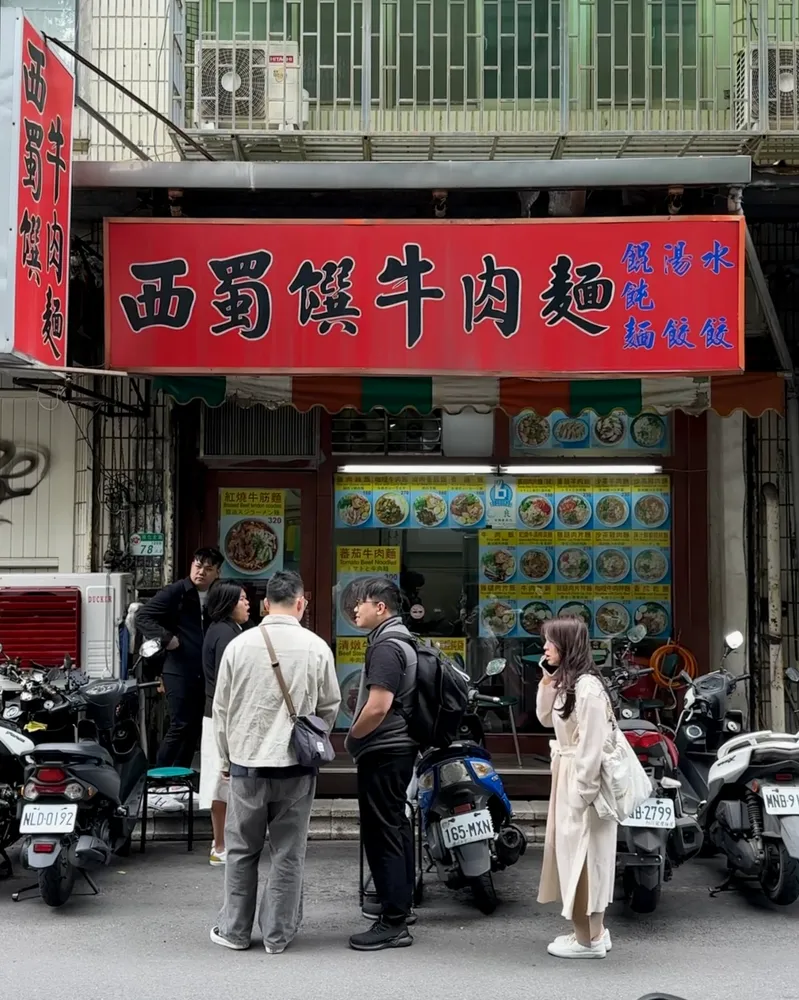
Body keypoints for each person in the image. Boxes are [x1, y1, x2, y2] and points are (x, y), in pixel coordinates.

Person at [210, 570, 340, 955]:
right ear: (301, 603)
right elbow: (330, 707)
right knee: (288, 853)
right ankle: (277, 936)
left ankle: (235, 931)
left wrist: (225, 758)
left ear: (265, 604)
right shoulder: (317, 647)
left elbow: (222, 710)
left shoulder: (239, 645)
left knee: (241, 850)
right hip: (297, 767)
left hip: (246, 765)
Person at [536, 616, 617, 960]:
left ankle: (587, 941)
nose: (544, 648)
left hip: (582, 781)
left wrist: (583, 792)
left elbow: (592, 746)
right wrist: (548, 679)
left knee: (585, 857)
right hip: (570, 776)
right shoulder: (569, 683)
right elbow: (544, 718)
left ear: (567, 645)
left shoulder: (587, 688)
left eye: (550, 642)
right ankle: (593, 932)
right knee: (579, 856)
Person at [345, 577, 418, 952]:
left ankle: (393, 923)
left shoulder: (386, 647)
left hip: (384, 748)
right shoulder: (402, 639)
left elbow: (378, 706)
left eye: (361, 602)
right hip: (399, 746)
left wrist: (353, 738)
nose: (354, 609)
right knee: (395, 825)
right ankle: (400, 906)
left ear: (381, 607)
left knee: (381, 832)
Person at [136, 547, 223, 768]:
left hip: (204, 670)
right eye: (198, 566)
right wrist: (167, 638)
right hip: (177, 668)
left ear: (217, 572)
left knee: (194, 726)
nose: (201, 572)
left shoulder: (217, 595)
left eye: (208, 569)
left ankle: (181, 774)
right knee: (180, 724)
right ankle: (158, 776)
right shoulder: (177, 591)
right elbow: (142, 616)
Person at [201, 581, 251, 867]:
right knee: (221, 782)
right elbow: (228, 682)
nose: (247, 603)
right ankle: (220, 845)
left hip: (219, 715)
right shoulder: (225, 634)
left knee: (223, 781)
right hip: (223, 717)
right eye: (242, 599)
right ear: (229, 604)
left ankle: (222, 843)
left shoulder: (225, 630)